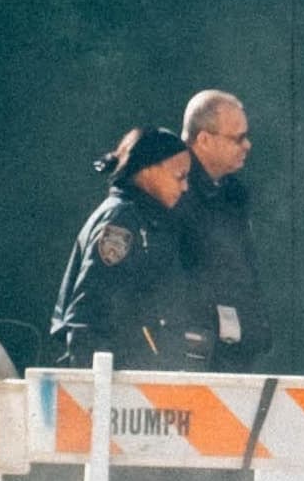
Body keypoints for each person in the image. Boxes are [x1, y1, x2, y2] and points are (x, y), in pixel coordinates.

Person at [49, 124, 211, 369]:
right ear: (147, 171)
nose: (185, 187)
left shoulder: (143, 220)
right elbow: (87, 318)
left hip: (134, 385)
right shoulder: (121, 222)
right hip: (116, 390)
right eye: (179, 176)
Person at [177, 88, 268, 372]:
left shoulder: (234, 193)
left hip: (232, 352)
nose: (248, 145)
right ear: (204, 139)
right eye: (238, 138)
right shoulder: (173, 189)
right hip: (191, 354)